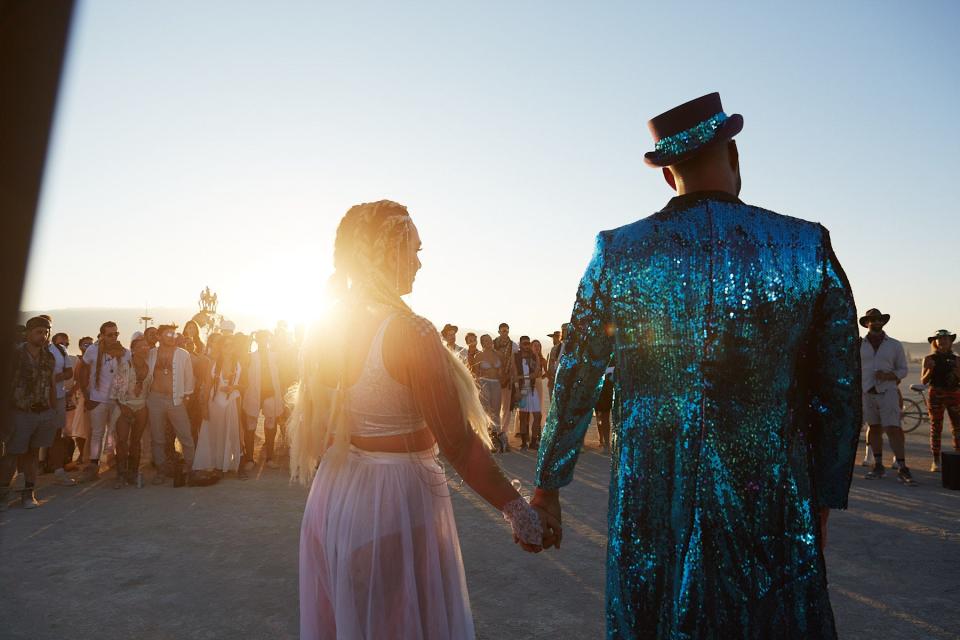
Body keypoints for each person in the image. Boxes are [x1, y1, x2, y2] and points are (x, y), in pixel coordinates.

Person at [533, 93, 861, 638]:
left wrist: (548, 483)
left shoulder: (616, 251)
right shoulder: (806, 246)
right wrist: (823, 493)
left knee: (655, 608)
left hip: (654, 486)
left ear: (667, 175)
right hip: (771, 485)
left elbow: (576, 377)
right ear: (734, 157)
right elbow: (839, 383)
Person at [291, 200, 543, 639]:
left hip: (336, 495)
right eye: (415, 249)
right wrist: (521, 512)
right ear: (388, 251)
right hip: (394, 501)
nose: (420, 262)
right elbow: (459, 444)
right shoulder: (411, 332)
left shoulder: (326, 328)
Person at [1, 316, 58, 509]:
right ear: (28, 333)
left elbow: (51, 384)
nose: (43, 336)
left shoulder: (49, 357)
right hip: (19, 412)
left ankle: (28, 494)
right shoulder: (14, 356)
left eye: (46, 332)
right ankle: (3, 494)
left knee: (33, 455)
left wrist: (53, 410)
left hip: (42, 412)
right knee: (12, 454)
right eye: (39, 332)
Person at [859, 308, 914, 483]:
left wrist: (889, 376)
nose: (875, 322)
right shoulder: (858, 345)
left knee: (893, 428)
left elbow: (903, 370)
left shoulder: (894, 345)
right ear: (866, 323)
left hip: (888, 391)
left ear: (883, 322)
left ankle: (902, 466)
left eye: (878, 319)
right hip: (867, 392)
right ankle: (878, 465)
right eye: (871, 320)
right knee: (874, 427)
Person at [80, 321, 129, 482]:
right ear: (102, 335)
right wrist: (87, 397)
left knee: (115, 433)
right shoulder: (92, 350)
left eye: (116, 334)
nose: (114, 337)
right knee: (97, 434)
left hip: (117, 400)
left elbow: (129, 373)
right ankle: (94, 465)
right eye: (110, 335)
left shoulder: (124, 352)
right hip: (97, 398)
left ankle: (115, 462)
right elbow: (82, 371)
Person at [146, 324, 195, 484]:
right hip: (155, 398)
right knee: (157, 437)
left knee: (185, 436)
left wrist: (186, 398)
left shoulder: (183, 354)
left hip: (176, 399)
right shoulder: (151, 354)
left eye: (173, 334)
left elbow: (189, 378)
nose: (172, 337)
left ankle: (190, 468)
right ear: (159, 337)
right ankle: (160, 471)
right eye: (168, 334)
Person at [193, 335, 243, 475]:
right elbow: (208, 385)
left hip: (231, 403)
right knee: (214, 434)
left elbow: (244, 384)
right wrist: (204, 407)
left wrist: (234, 388)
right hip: (214, 403)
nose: (228, 348)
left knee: (230, 433)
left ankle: (227, 464)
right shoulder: (213, 363)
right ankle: (215, 464)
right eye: (226, 345)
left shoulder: (238, 364)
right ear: (221, 347)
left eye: (231, 345)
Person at [242, 330, 284, 471]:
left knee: (271, 425)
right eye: (260, 339)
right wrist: (249, 339)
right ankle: (249, 459)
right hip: (254, 394)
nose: (263, 341)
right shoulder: (250, 357)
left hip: (270, 393)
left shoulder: (275, 356)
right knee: (250, 425)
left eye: (265, 338)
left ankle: (270, 458)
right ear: (256, 340)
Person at [112, 336, 151, 488]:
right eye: (141, 346)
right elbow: (115, 389)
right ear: (133, 350)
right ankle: (120, 475)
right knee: (122, 442)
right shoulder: (124, 366)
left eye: (146, 346)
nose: (145, 348)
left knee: (136, 442)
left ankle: (133, 473)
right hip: (124, 405)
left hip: (141, 406)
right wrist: (123, 407)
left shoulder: (150, 366)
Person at [921, 329, 960, 472]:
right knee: (936, 427)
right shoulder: (929, 358)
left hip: (954, 394)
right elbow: (924, 381)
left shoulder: (957, 359)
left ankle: (957, 458)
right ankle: (936, 460)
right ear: (935, 342)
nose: (943, 341)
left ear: (950, 342)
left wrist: (957, 372)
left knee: (958, 427)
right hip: (936, 393)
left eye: (946, 339)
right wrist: (930, 370)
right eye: (940, 339)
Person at [45, 330, 77, 485]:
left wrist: (54, 379)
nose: (44, 333)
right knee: (28, 438)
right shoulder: (23, 350)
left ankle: (59, 472)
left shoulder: (59, 350)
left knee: (56, 436)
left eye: (47, 329)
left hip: (57, 397)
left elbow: (69, 372)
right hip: (33, 400)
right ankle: (22, 478)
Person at [65, 336, 94, 465]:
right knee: (80, 429)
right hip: (83, 397)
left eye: (90, 344)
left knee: (90, 430)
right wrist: (71, 393)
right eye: (85, 345)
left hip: (95, 397)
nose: (88, 347)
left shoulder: (94, 360)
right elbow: (78, 380)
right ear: (80, 347)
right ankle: (82, 454)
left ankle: (88, 456)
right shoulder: (79, 361)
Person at [477, 334, 507, 453]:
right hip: (484, 382)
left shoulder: (499, 355)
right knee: (486, 410)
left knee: (496, 409)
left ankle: (496, 435)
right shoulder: (478, 355)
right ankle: (485, 436)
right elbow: (475, 373)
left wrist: (501, 375)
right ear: (482, 343)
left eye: (489, 339)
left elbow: (504, 371)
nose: (488, 342)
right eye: (485, 340)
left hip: (496, 383)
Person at [493, 323, 518, 436]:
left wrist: (514, 379)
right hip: (495, 378)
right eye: (503, 331)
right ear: (499, 331)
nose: (505, 333)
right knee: (495, 405)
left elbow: (514, 363)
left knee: (506, 406)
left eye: (506, 331)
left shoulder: (513, 345)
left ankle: (504, 431)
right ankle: (495, 429)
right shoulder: (493, 343)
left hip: (508, 378)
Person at [529, 339, 549, 449]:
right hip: (529, 384)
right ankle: (530, 434)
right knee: (530, 410)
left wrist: (543, 376)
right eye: (535, 345)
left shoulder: (542, 360)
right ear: (531, 347)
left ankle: (538, 433)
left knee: (539, 408)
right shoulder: (528, 359)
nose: (537, 347)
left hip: (538, 384)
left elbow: (547, 371)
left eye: (539, 346)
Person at [594, 369, 614, 453]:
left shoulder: (613, 357)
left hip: (607, 388)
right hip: (598, 384)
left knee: (604, 416)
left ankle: (606, 443)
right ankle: (602, 440)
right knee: (599, 415)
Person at [545, 330, 562, 400]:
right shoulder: (555, 348)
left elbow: (553, 364)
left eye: (555, 337)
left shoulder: (555, 349)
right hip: (552, 378)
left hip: (554, 379)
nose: (553, 339)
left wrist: (550, 376)